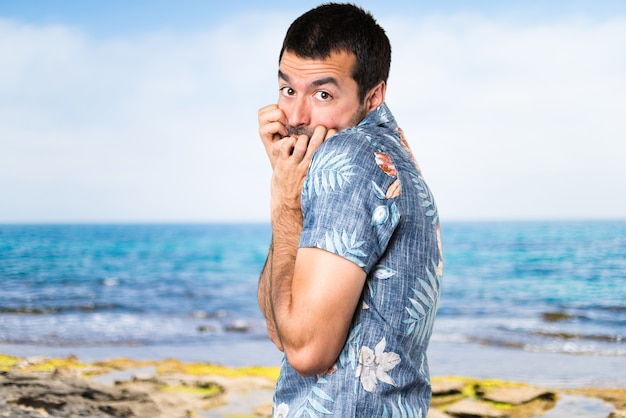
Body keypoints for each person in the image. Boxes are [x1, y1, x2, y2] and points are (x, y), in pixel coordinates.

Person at [257, 3, 443, 417]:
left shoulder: (352, 157)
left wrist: (284, 201)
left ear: (373, 95)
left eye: (323, 94)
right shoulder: (388, 155)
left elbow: (306, 352)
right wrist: (290, 191)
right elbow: (280, 328)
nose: (297, 117)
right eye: (288, 90)